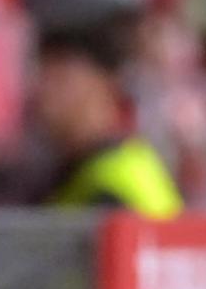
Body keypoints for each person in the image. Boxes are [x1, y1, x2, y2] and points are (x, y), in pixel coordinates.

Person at [35, 21, 184, 218]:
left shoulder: (113, 188)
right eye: (42, 74)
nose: (43, 91)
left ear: (107, 84)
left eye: (61, 77)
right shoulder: (83, 172)